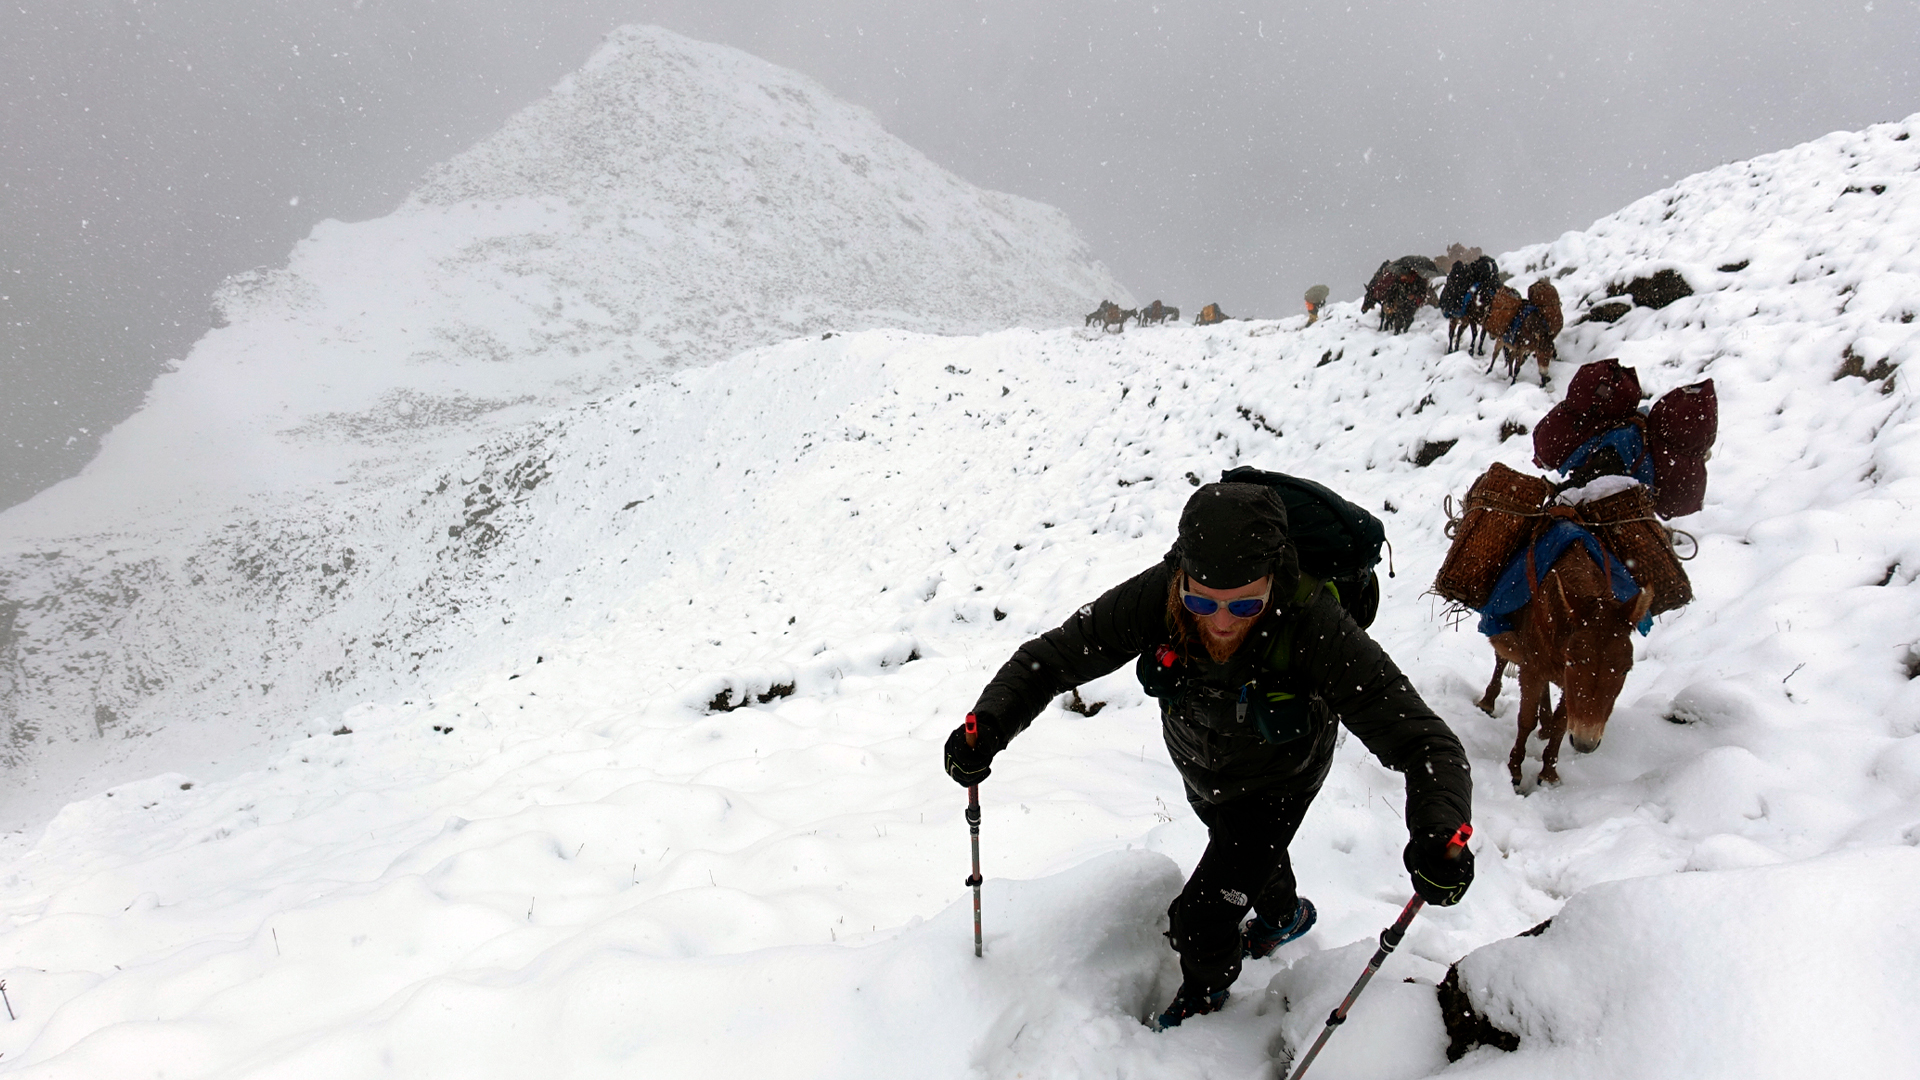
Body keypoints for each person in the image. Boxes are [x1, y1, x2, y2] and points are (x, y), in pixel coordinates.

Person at [942, 481, 1474, 1029]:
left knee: (1199, 920)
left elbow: (1425, 743)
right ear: (1183, 576)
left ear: (1274, 579)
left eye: (1245, 603)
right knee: (1242, 854)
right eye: (1203, 602)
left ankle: (1206, 994)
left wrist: (1439, 828)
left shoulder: (1314, 624)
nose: (1221, 622)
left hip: (1280, 780)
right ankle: (1284, 915)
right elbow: (1051, 659)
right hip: (1199, 763)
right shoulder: (1159, 594)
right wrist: (993, 724)